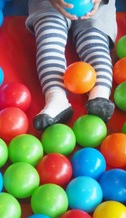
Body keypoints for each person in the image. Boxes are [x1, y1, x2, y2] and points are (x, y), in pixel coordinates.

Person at [25, 0, 117, 130]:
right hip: (49, 3)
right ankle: (56, 98)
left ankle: (100, 96)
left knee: (94, 41)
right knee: (49, 37)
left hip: (97, 5)